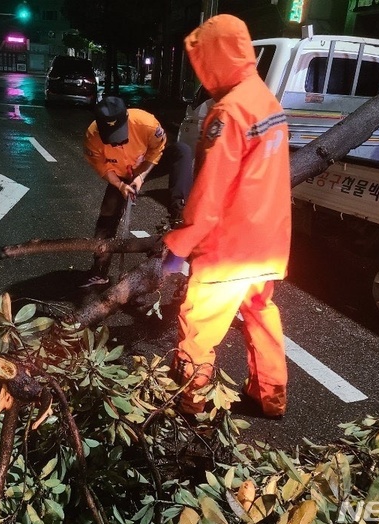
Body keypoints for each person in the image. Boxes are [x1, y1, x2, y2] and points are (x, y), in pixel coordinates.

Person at [162, 14, 292, 418]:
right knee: (260, 314)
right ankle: (271, 395)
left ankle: (193, 401)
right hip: (267, 244)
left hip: (229, 247)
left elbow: (211, 191)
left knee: (198, 322)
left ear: (215, 58)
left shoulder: (229, 112)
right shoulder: (266, 102)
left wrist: (179, 245)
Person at [81, 96, 193, 287]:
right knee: (108, 210)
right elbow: (104, 169)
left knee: (182, 151)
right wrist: (121, 185)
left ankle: (179, 213)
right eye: (112, 140)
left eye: (121, 136)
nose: (118, 144)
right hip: (120, 174)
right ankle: (100, 268)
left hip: (146, 166)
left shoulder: (146, 123)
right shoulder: (92, 137)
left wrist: (141, 176)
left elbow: (157, 150)